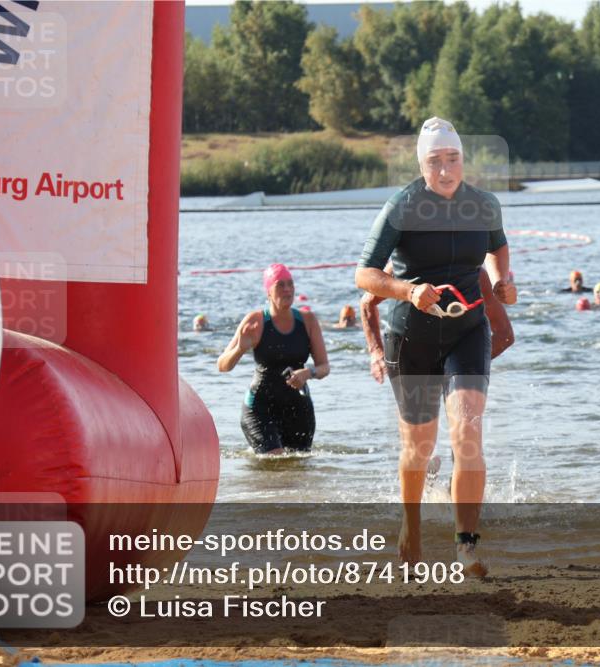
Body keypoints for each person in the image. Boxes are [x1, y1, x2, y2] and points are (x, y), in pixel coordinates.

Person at [354, 117, 515, 577]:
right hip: (411, 337)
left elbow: (497, 248)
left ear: (464, 159)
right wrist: (408, 291)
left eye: (453, 159)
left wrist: (503, 278)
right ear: (421, 165)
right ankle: (412, 525)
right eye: (434, 162)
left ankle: (466, 546)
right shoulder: (401, 207)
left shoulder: (483, 204)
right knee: (419, 448)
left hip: (467, 331)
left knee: (468, 434)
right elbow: (364, 274)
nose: (445, 170)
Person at [217, 264, 330, 455]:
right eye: (280, 285)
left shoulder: (308, 320)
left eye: (290, 284)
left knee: (298, 466)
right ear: (268, 292)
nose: (287, 289)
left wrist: (308, 373)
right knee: (274, 457)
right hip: (260, 407)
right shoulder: (255, 321)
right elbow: (222, 366)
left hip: (297, 406)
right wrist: (240, 348)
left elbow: (324, 366)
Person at [361, 265, 515, 383]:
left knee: (465, 416)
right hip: (411, 354)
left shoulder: (476, 274)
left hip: (458, 353)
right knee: (416, 421)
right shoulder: (402, 264)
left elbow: (504, 334)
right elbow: (367, 303)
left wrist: (467, 365)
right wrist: (376, 352)